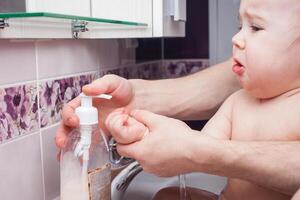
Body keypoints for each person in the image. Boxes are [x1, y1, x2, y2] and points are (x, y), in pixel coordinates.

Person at [55, 0, 300, 199]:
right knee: (167, 196)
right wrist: (136, 132)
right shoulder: (238, 102)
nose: (236, 38)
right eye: (240, 26)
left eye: (255, 28)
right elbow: (192, 149)